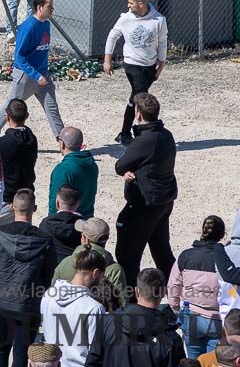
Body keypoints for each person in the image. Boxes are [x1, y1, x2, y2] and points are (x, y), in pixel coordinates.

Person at [0, 189, 58, 367]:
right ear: (34, 208)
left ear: (12, 207)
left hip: (2, 302)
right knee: (22, 352)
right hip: (29, 305)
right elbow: (50, 275)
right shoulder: (45, 241)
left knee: (0, 349)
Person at [114, 92, 178, 292]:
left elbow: (120, 165)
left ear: (138, 114)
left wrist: (128, 171)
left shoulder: (143, 141)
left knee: (127, 254)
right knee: (161, 250)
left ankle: (133, 300)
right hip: (164, 201)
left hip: (145, 203)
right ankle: (178, 294)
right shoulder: (166, 135)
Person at [0, 0, 64, 140]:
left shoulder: (46, 24)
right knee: (11, 107)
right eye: (49, 7)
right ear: (39, 7)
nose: (52, 9)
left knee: (52, 108)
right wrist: (36, 75)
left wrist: (43, 73)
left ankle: (63, 140)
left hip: (43, 75)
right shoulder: (29, 27)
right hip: (26, 76)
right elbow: (19, 57)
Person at [103, 0, 168, 146]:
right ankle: (141, 132)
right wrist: (107, 60)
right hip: (132, 65)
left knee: (135, 98)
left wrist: (161, 64)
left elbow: (162, 41)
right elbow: (113, 36)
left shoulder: (159, 20)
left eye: (131, 3)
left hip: (149, 66)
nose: (128, 6)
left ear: (141, 3)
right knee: (142, 98)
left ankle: (124, 133)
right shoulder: (126, 18)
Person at [85, 267, 186, 367]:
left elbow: (93, 361)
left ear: (137, 291)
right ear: (164, 292)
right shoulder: (171, 340)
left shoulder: (108, 322)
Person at [166, 216, 228, 359]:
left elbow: (173, 288)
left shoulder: (186, 256)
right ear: (222, 235)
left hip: (191, 317)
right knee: (213, 361)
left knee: (193, 360)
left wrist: (178, 311)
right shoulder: (224, 260)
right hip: (216, 318)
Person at [41, 245, 107, 367]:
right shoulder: (94, 308)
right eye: (102, 276)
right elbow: (96, 351)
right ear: (96, 273)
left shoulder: (48, 296)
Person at [53, 217, 127, 311]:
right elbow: (121, 306)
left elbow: (53, 296)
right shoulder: (115, 270)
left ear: (85, 239)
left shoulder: (65, 263)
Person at [0, 98, 38, 211]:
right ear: (26, 116)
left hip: (7, 197)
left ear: (8, 117)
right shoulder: (32, 139)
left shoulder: (0, 144)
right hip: (26, 196)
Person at [49, 127, 98, 217]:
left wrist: (52, 222)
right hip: (87, 220)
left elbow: (54, 203)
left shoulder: (63, 170)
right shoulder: (92, 165)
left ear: (62, 144)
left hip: (69, 223)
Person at [39, 185, 85, 262]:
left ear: (57, 203)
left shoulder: (45, 224)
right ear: (78, 204)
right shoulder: (85, 227)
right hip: (76, 269)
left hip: (51, 269)